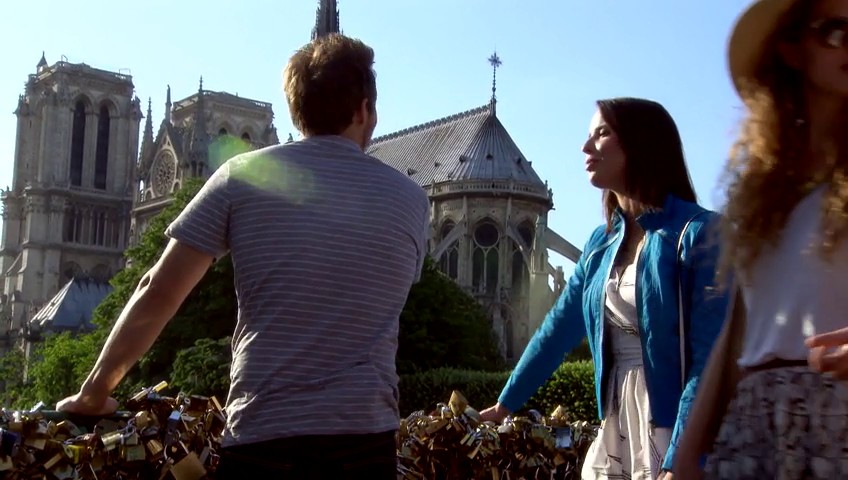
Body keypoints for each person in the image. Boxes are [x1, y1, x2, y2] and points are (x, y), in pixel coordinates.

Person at [55, 33, 430, 479]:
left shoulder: (242, 175)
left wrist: (95, 392)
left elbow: (158, 289)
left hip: (263, 434)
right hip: (366, 441)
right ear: (365, 109)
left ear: (297, 110)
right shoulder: (411, 199)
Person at [479, 97, 729, 480]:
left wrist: (681, 458)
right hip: (616, 422)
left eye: (602, 133)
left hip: (672, 427)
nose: (585, 147)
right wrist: (505, 404)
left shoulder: (700, 233)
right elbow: (557, 331)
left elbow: (710, 361)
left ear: (640, 143)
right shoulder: (601, 243)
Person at [673, 0, 848, 478]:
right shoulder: (764, 192)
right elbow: (739, 333)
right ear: (792, 48)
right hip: (752, 427)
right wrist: (685, 458)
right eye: (836, 32)